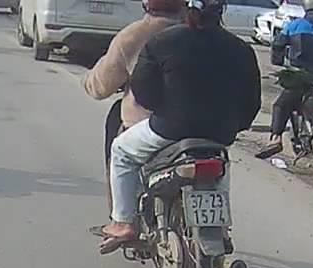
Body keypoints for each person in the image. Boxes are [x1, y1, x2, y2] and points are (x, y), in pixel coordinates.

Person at [96, 0, 261, 253]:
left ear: (187, 8)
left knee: (121, 151)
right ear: (221, 12)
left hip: (170, 128)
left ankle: (123, 222)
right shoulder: (242, 49)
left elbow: (143, 91)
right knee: (220, 163)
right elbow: (252, 101)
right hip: (220, 132)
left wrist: (166, 112)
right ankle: (220, 229)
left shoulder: (162, 41)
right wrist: (233, 126)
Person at [82, 0, 184, 210]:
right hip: (205, 125)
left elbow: (101, 86)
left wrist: (87, 79)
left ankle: (121, 216)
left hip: (152, 126)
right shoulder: (199, 32)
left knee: (118, 140)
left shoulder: (135, 35)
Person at [255, 0, 313, 159]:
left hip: (302, 78)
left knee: (281, 105)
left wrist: (278, 61)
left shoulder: (296, 26)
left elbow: (278, 44)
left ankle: (275, 138)